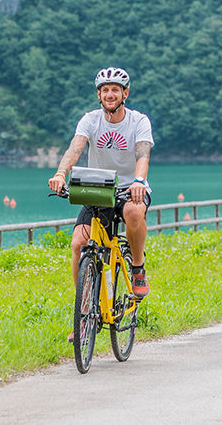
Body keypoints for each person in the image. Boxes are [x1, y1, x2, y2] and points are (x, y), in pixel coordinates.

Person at [48, 67, 154, 307]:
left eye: (115, 90)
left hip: (130, 189)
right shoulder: (90, 120)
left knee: (134, 212)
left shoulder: (139, 121)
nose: (109, 94)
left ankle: (137, 268)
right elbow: (75, 149)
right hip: (98, 189)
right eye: (104, 90)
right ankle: (84, 309)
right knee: (79, 244)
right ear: (99, 95)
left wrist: (139, 181)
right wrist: (60, 174)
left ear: (125, 93)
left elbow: (143, 156)